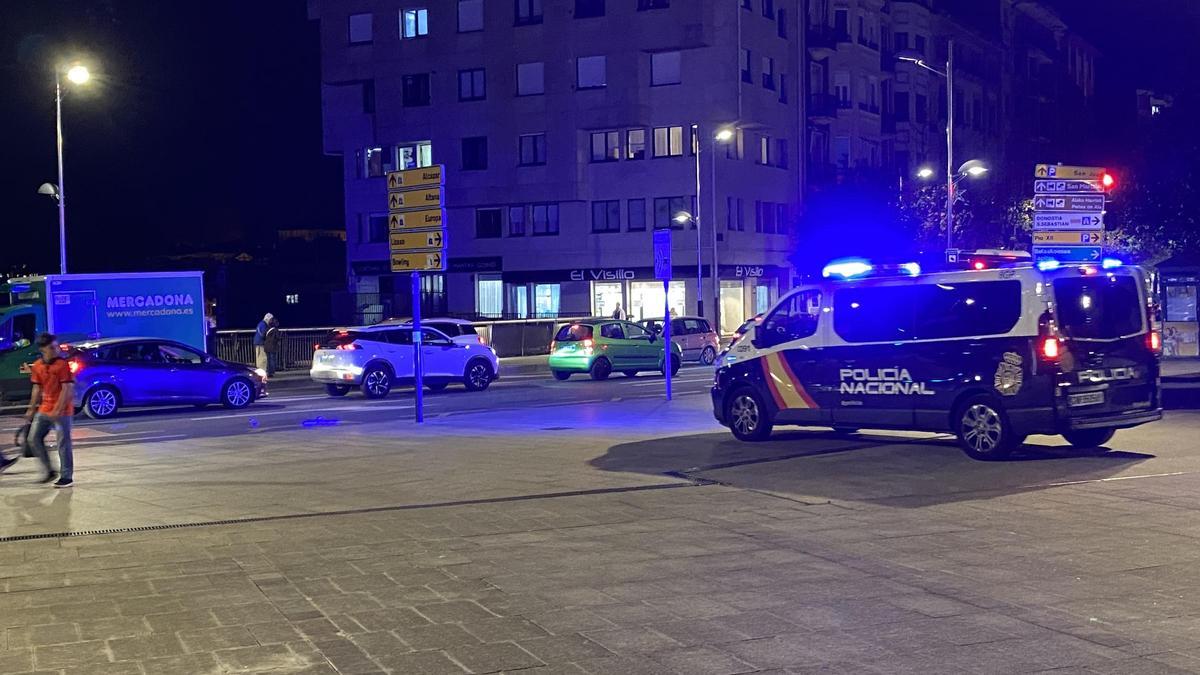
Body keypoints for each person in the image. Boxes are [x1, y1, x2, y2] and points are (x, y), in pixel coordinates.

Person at [25, 333, 75, 487]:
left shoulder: (62, 365)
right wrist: (31, 408)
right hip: (45, 409)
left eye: (56, 346)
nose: (56, 350)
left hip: (62, 411)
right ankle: (49, 471)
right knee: (33, 439)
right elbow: (36, 388)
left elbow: (67, 388)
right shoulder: (38, 366)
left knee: (63, 443)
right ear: (42, 350)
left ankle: (66, 476)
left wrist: (58, 410)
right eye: (52, 348)